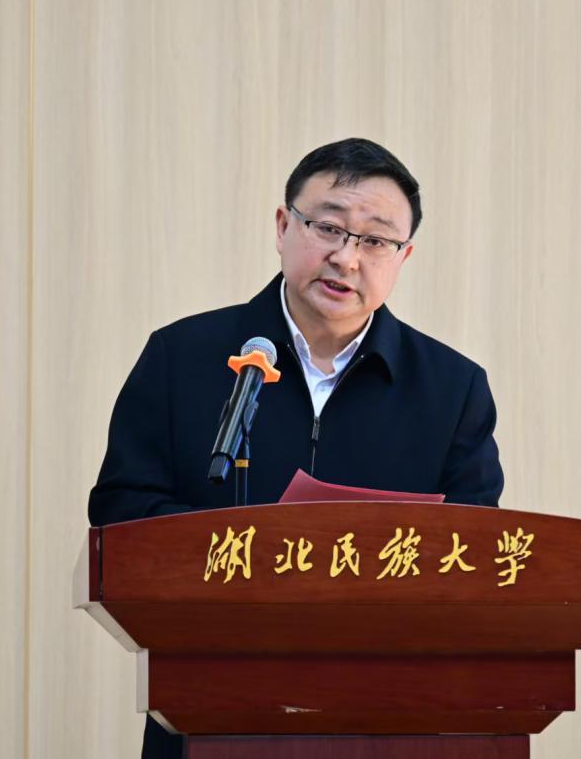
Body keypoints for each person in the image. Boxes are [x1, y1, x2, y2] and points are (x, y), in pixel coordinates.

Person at [87, 137, 504, 757]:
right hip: (209, 707)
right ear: (284, 227)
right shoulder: (181, 357)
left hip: (386, 720)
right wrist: (259, 560)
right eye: (328, 227)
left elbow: (474, 557)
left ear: (404, 256)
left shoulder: (452, 388)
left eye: (376, 240)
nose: (347, 257)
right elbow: (120, 515)